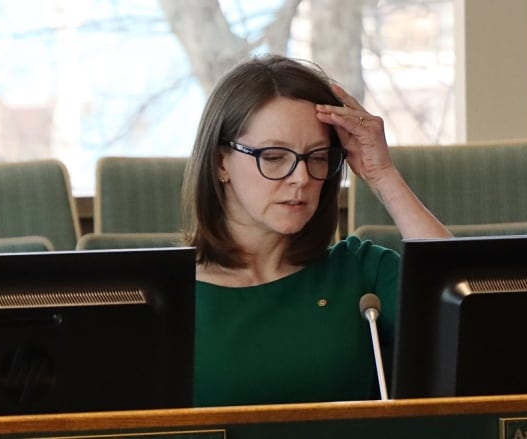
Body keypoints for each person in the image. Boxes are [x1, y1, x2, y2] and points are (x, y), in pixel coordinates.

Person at [182, 54, 451, 407]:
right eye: (275, 156)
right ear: (221, 162)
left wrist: (381, 173)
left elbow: (466, 321)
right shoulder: (169, 290)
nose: (302, 178)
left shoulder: (360, 272)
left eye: (318, 157)